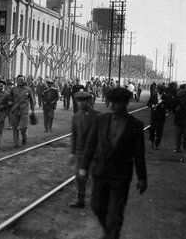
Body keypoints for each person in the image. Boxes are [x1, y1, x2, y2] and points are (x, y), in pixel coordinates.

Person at [79, 87, 147, 239]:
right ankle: (109, 230)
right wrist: (83, 167)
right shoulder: (100, 119)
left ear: (125, 103)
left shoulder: (135, 125)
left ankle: (111, 234)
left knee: (115, 213)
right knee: (96, 206)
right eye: (111, 102)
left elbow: (139, 154)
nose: (112, 106)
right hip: (100, 172)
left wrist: (142, 178)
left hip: (120, 177)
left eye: (117, 103)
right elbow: (90, 145)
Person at [68, 91, 99, 209]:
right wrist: (72, 152)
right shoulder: (75, 117)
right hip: (80, 152)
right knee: (79, 176)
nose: (81, 103)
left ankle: (98, 200)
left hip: (95, 152)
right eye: (79, 101)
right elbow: (74, 136)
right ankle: (80, 200)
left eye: (84, 100)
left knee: (95, 176)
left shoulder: (97, 115)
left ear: (89, 101)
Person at [9, 74, 36, 147]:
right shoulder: (13, 89)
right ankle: (16, 142)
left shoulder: (28, 89)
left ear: (24, 80)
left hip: (24, 111)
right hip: (15, 110)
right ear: (16, 80)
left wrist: (33, 110)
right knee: (15, 127)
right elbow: (9, 97)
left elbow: (32, 101)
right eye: (19, 79)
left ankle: (24, 137)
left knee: (23, 127)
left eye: (22, 79)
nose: (20, 81)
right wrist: (10, 102)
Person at [146, 85, 168, 150]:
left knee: (160, 130)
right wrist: (152, 105)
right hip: (154, 115)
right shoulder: (153, 96)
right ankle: (152, 143)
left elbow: (169, 105)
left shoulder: (166, 97)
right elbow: (148, 103)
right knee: (152, 129)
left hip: (161, 116)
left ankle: (157, 145)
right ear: (157, 90)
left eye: (162, 91)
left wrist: (162, 105)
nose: (160, 92)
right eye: (159, 90)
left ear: (163, 91)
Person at [173, 86, 186, 153]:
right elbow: (173, 108)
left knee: (179, 135)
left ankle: (178, 148)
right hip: (179, 119)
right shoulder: (177, 100)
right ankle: (179, 148)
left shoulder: (177, 98)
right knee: (180, 135)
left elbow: (173, 108)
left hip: (179, 119)